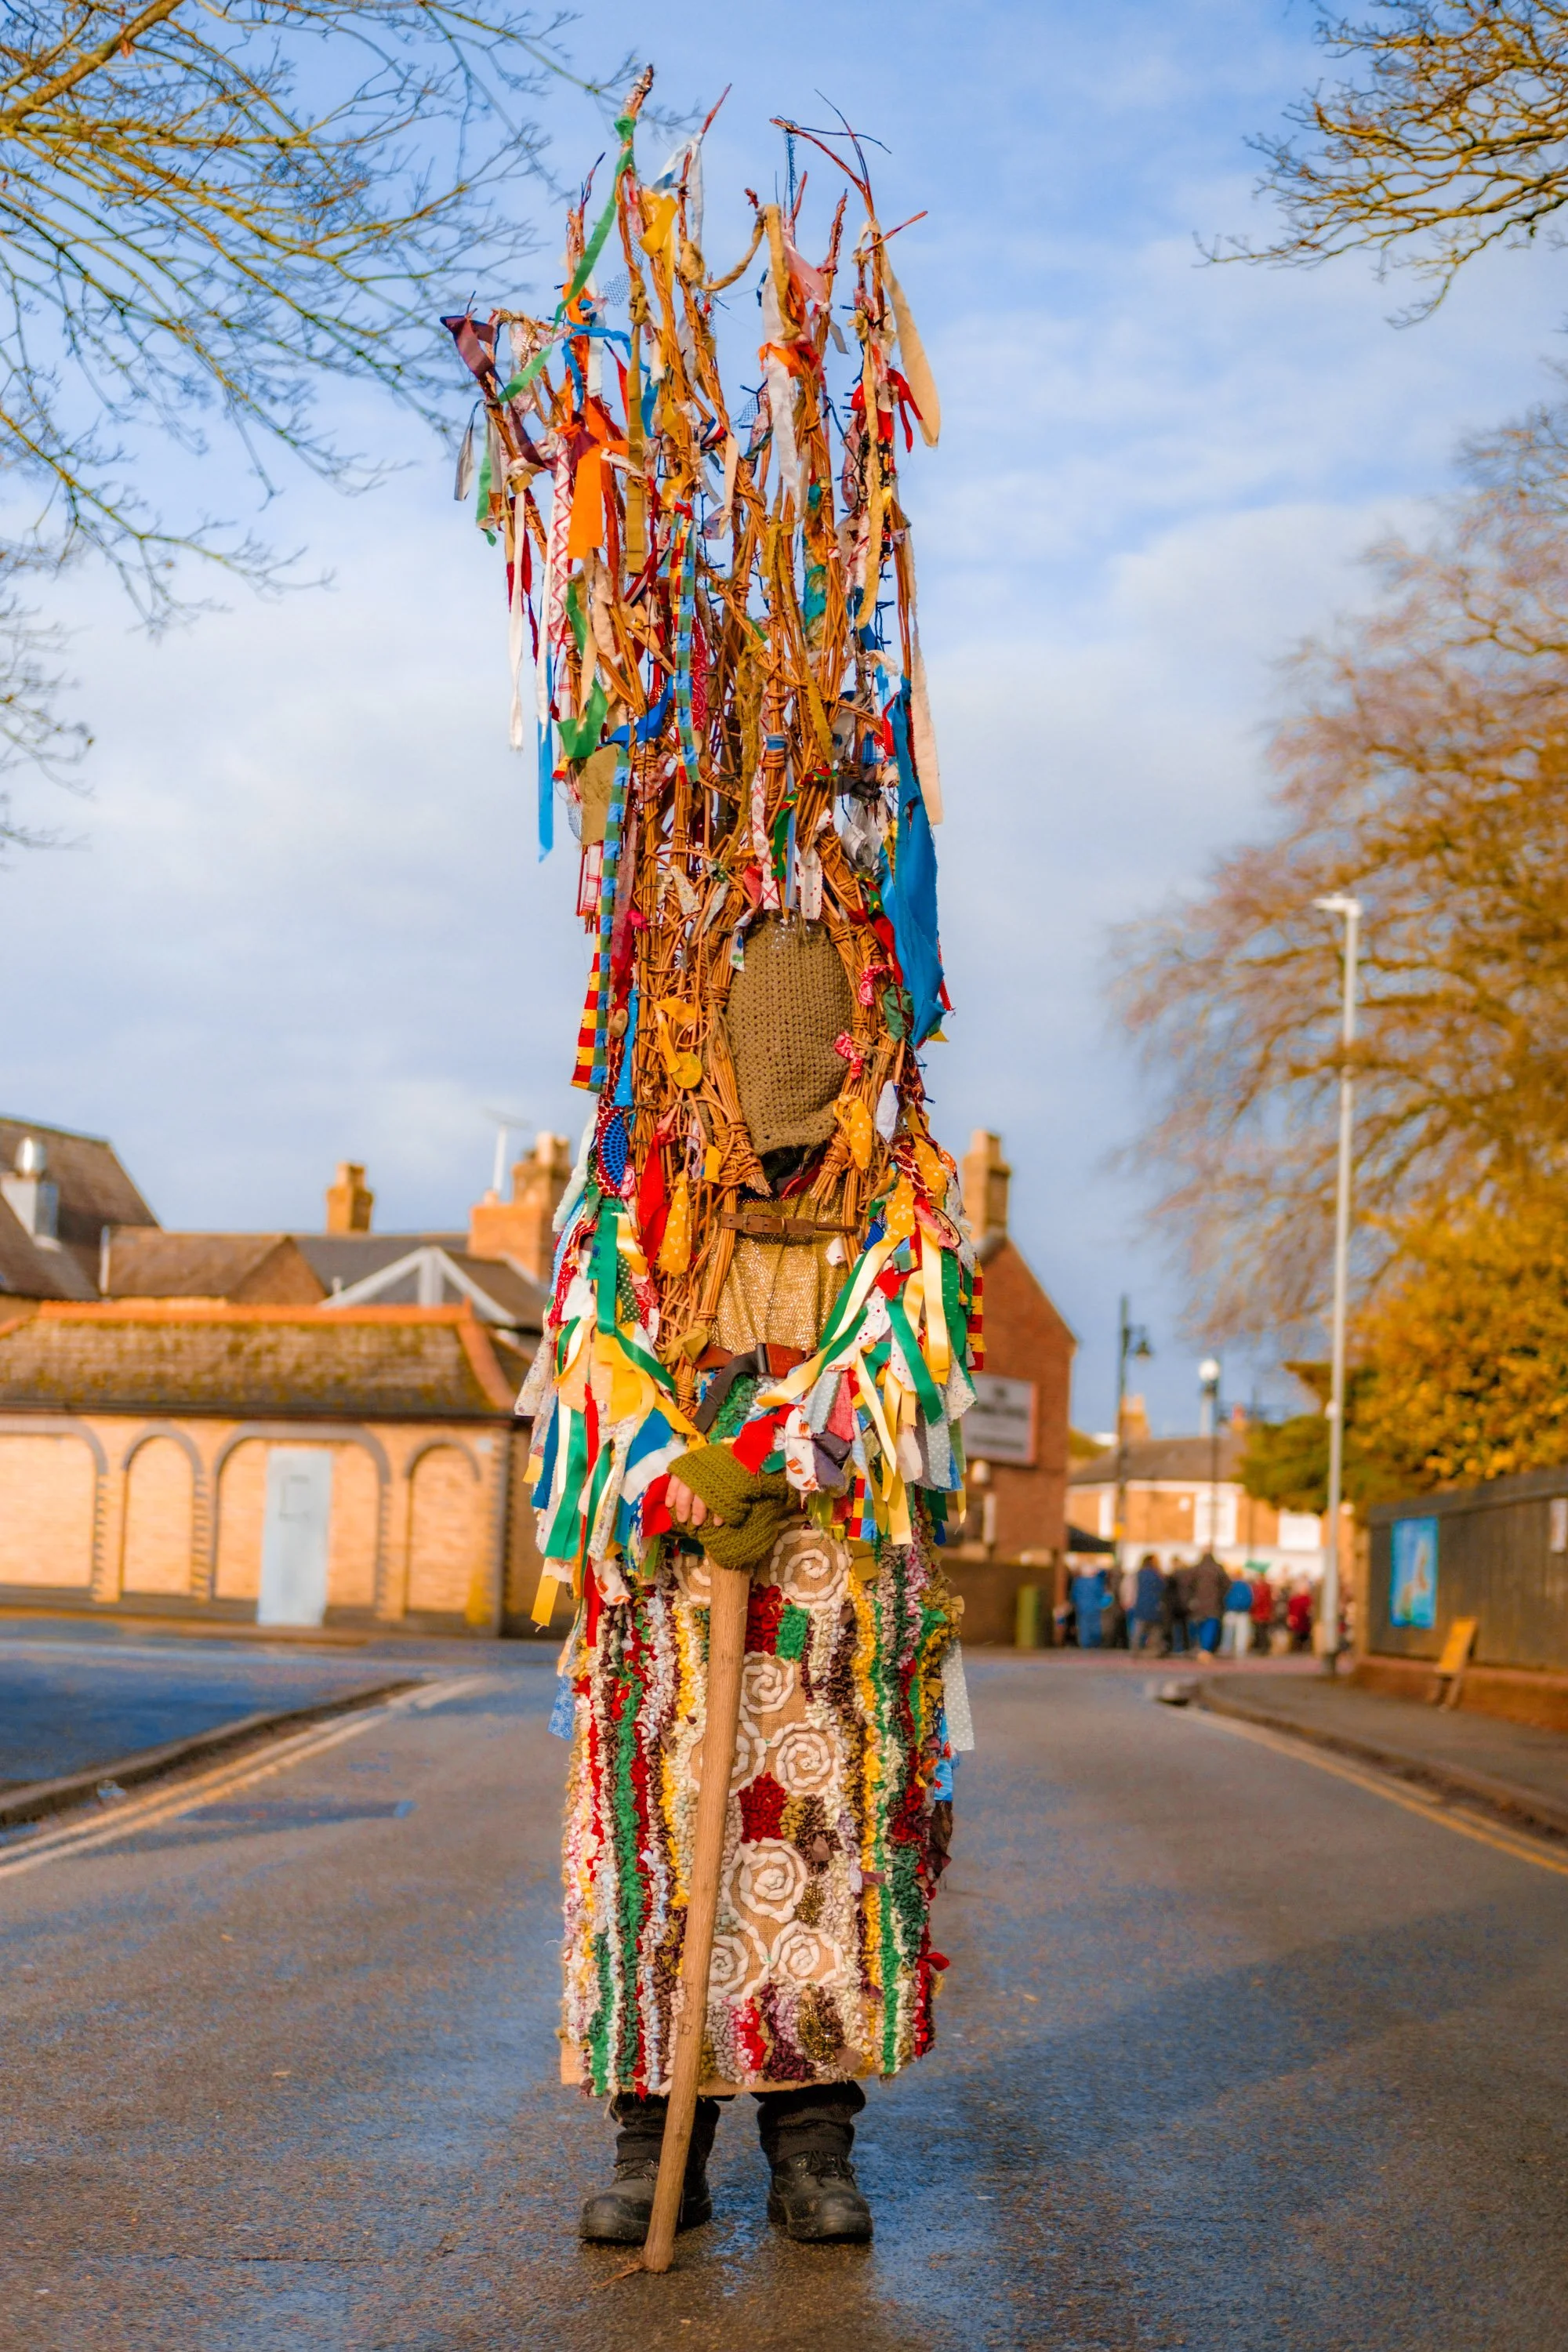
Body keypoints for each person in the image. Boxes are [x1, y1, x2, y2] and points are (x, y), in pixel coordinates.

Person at [476, 129, 969, 2255]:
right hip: (668, 1568)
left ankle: (811, 2133)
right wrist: (678, 1466)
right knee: (657, 1836)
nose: (766, 1116)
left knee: (820, 1827)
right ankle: (645, 2131)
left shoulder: (881, 1186)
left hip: (824, 1572)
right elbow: (585, 1348)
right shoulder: (630, 1182)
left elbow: (894, 1350)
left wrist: (793, 1456)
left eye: (803, 1074)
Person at [1189, 1549, 1229, 1655]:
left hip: (1198, 1604)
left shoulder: (1195, 1569)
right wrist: (1221, 1596)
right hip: (1213, 1604)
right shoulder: (1218, 1569)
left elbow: (1188, 1585)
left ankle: (1198, 1646)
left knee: (1198, 1625)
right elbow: (1227, 1585)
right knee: (1211, 1626)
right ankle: (1206, 1648)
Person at [1131, 1553, 1167, 1652]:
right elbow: (1162, 1588)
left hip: (1141, 1604)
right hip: (1154, 1605)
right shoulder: (1157, 1575)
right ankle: (1154, 1649)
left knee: (1139, 1628)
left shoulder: (1139, 1574)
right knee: (1155, 1629)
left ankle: (1135, 1649)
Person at [1071, 1564, 1111, 1648]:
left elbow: (1074, 1596)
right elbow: (1102, 1594)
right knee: (1095, 1626)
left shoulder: (1078, 1582)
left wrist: (1076, 1604)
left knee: (1084, 1627)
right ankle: (1095, 1644)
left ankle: (1085, 1645)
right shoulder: (1097, 1582)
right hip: (1095, 1607)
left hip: (1082, 1608)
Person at [1221, 1572, 1255, 1657]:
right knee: (1242, 1632)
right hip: (1243, 1611)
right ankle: (1240, 1649)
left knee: (1229, 1631)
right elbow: (1251, 1598)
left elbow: (1224, 1597)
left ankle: (1226, 1648)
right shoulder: (1246, 1586)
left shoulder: (1229, 1585)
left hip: (1231, 1610)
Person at [1287, 1584, 1316, 1651]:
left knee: (1299, 1634)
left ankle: (1298, 1647)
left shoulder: (1296, 1599)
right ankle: (1299, 1647)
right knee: (1300, 1634)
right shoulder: (1306, 1599)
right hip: (1301, 1621)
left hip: (1301, 1621)